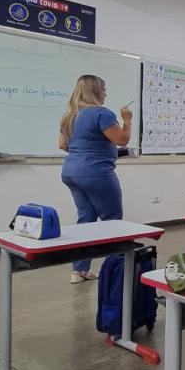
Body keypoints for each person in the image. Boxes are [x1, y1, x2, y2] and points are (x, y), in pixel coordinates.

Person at [58, 74, 131, 284]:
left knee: (85, 220)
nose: (106, 93)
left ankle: (78, 271)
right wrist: (127, 120)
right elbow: (122, 139)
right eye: (104, 89)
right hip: (96, 173)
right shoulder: (102, 113)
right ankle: (113, 271)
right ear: (96, 91)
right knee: (113, 219)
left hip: (71, 173)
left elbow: (62, 145)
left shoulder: (70, 115)